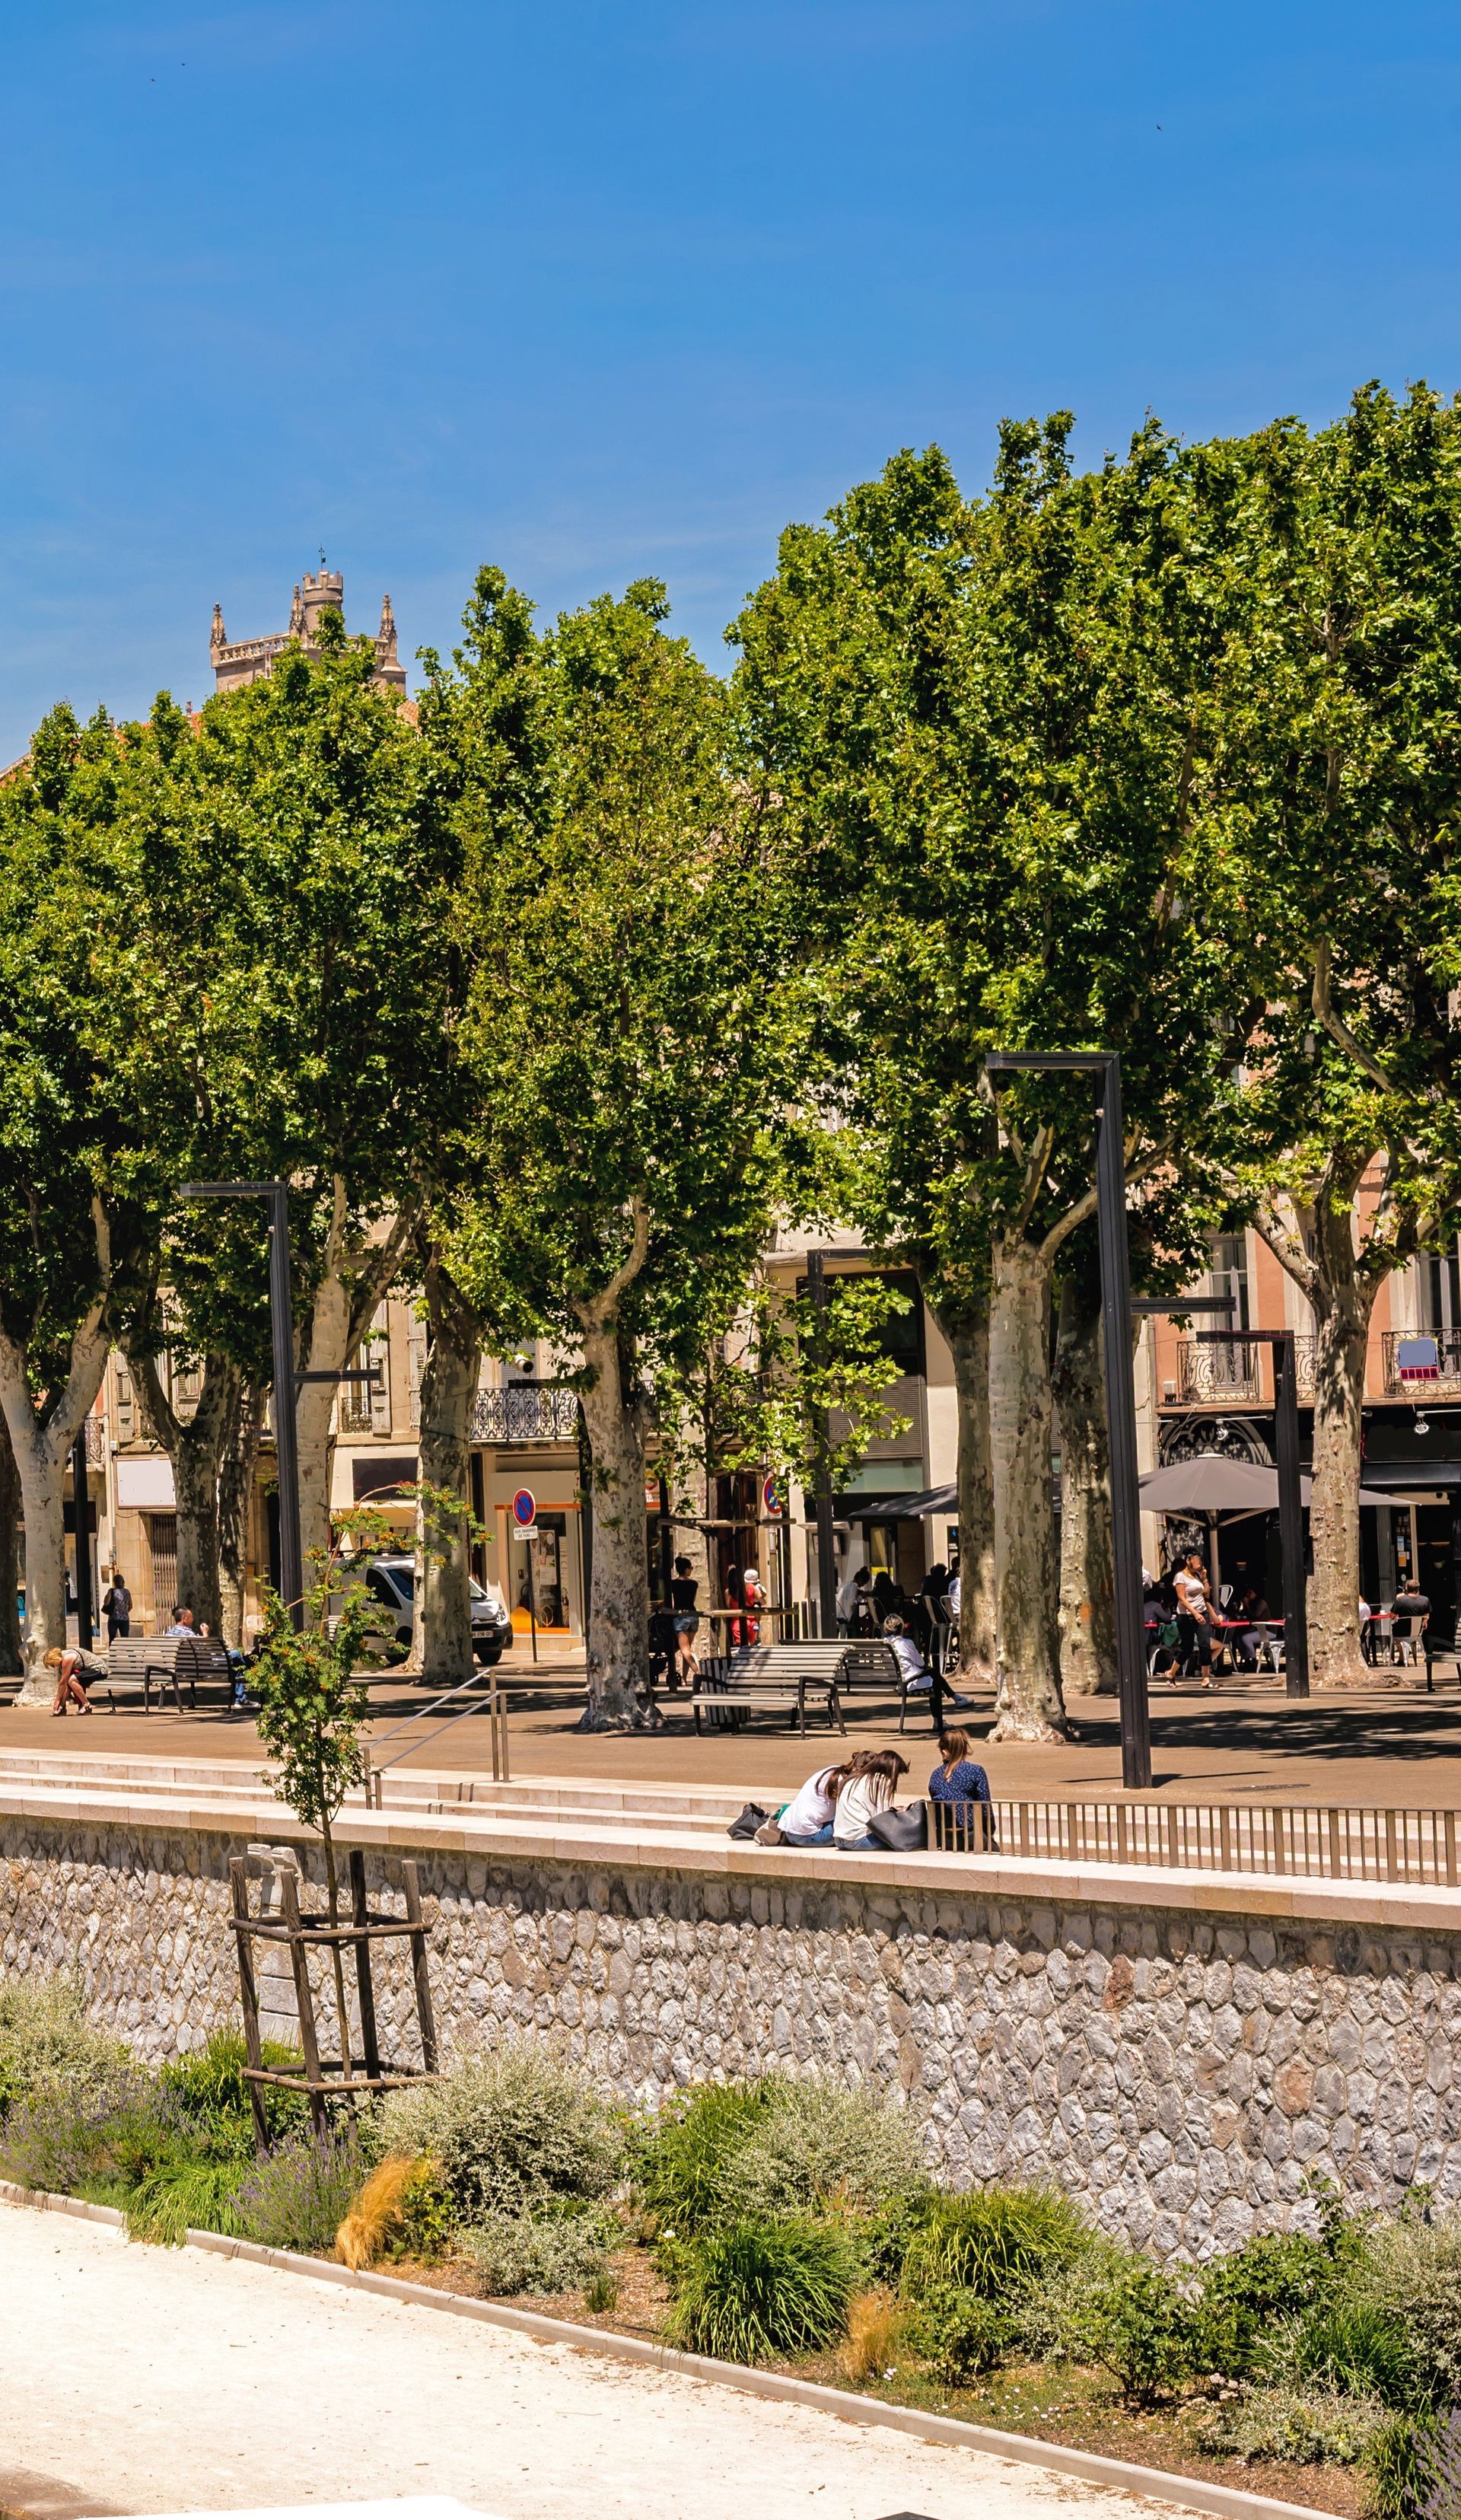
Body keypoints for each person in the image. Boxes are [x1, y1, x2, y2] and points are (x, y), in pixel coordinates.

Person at [756, 1757, 855, 1847]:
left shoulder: (833, 1771)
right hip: (808, 1837)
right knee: (853, 1826)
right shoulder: (845, 1782)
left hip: (790, 1833)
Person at [928, 1727, 993, 1849]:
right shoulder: (975, 1771)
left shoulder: (935, 1775)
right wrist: (990, 1831)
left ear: (945, 1752)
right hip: (969, 1835)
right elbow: (985, 1807)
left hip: (944, 1836)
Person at [833, 1747, 909, 1850]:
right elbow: (881, 1819)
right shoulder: (880, 1781)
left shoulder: (855, 1777)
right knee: (909, 1838)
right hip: (859, 1839)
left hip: (840, 1839)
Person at [1173, 1552, 1215, 1688]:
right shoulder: (1180, 1577)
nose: (1199, 1562)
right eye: (1196, 1559)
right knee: (1187, 1647)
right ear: (1188, 1560)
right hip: (1186, 1616)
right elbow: (1181, 1598)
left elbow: (1207, 1594)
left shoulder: (1197, 1575)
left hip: (1202, 1613)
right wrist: (1195, 1613)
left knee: (1204, 1644)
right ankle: (1171, 1673)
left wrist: (1205, 1579)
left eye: (1200, 1559)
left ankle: (1205, 1678)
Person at [667, 1556, 700, 1687]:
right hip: (693, 1615)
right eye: (690, 1568)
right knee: (688, 1650)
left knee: (685, 1650)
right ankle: (685, 1679)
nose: (691, 1570)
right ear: (686, 1569)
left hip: (680, 1616)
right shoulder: (694, 1584)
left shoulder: (673, 1584)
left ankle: (698, 1672)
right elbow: (693, 1601)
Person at [42, 1643, 94, 1716]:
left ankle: (86, 1705)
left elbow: (63, 1681)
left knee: (70, 1680)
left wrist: (57, 1700)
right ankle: (62, 1707)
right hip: (86, 1672)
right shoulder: (62, 1661)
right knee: (68, 1681)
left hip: (98, 1670)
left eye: (52, 1665)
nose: (53, 1667)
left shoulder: (67, 1658)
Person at [1390, 1580, 1431, 1666]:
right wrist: (1424, 1622)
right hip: (1418, 1632)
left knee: (1393, 1633)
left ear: (1406, 1589)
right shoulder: (1425, 1600)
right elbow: (1427, 1616)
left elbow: (1392, 1616)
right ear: (1418, 1589)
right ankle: (1403, 1657)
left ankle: (1402, 1657)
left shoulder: (1400, 1600)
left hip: (1402, 1632)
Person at [1236, 1586, 1274, 1671]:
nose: (1248, 1595)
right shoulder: (1252, 1603)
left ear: (1256, 1593)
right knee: (1238, 1638)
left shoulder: (1261, 1603)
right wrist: (1243, 1606)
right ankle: (1247, 1659)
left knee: (1245, 1638)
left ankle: (1254, 1660)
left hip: (1266, 1630)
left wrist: (1247, 1605)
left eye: (1250, 1593)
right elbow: (1244, 1614)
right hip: (1256, 1629)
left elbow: (1255, 1617)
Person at [836, 1565, 869, 1633]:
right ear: (860, 1580)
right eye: (863, 1583)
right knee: (865, 1624)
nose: (862, 1585)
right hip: (846, 1616)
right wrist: (861, 1597)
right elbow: (852, 1603)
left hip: (838, 1614)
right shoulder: (854, 1586)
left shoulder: (845, 1584)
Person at [100, 1572, 132, 1642]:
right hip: (125, 1620)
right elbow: (131, 1606)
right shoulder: (127, 1592)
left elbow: (106, 1603)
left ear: (114, 1582)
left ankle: (113, 1652)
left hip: (113, 1619)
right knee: (125, 1639)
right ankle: (126, 1652)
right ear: (123, 1582)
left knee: (112, 1639)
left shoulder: (112, 1591)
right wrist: (124, 1612)